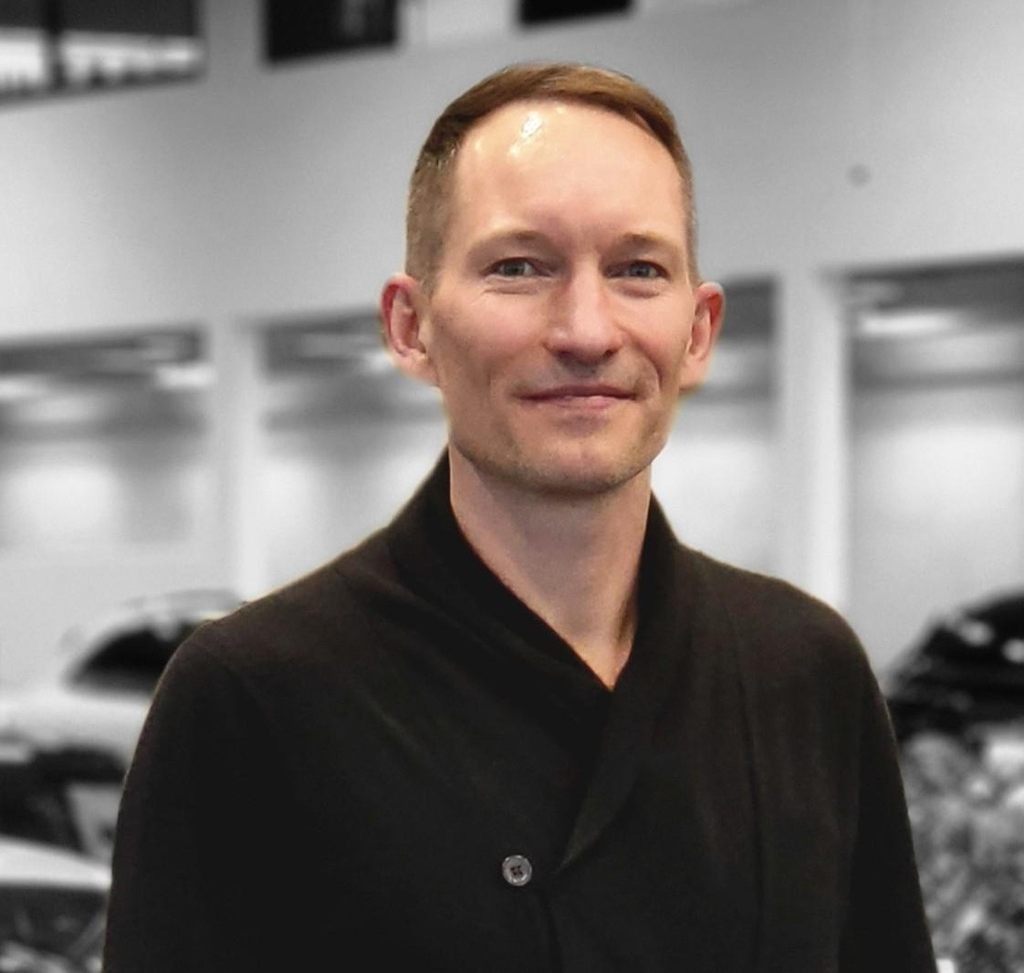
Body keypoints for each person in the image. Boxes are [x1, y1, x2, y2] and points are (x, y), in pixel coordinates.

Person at [103, 62, 937, 973]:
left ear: (698, 332)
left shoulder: (805, 673)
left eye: (638, 270)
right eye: (518, 268)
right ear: (411, 326)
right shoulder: (253, 699)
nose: (586, 330)